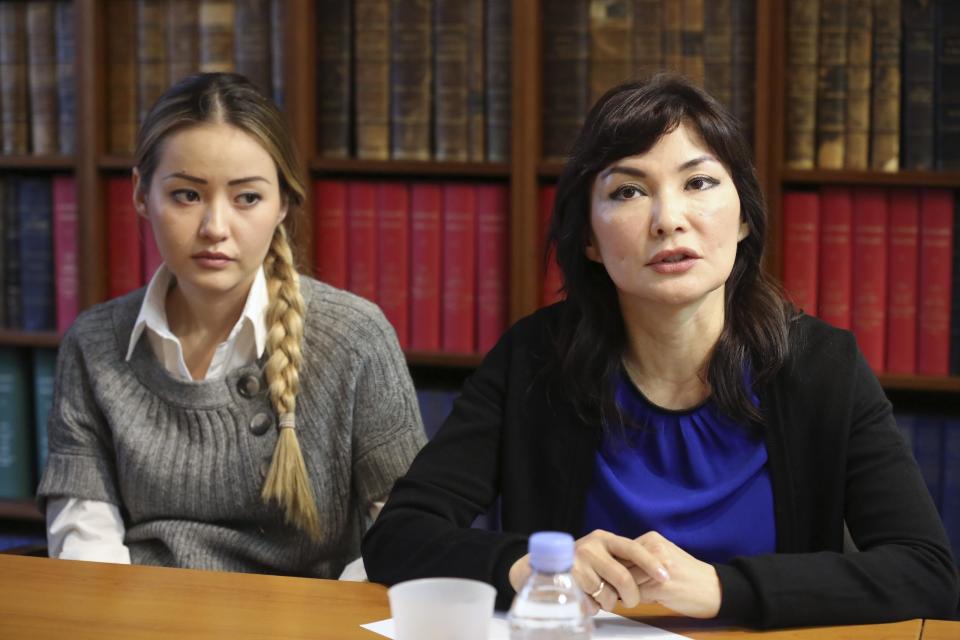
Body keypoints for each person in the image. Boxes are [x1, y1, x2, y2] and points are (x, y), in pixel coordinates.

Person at [362, 75, 959, 627]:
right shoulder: (536, 356)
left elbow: (926, 571)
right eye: (627, 191)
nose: (668, 220)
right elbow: (399, 536)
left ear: (745, 217)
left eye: (699, 182)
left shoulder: (822, 367)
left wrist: (724, 588)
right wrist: (533, 567)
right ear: (590, 240)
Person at [38, 73, 425, 579]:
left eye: (247, 199)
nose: (215, 228)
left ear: (283, 203)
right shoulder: (93, 344)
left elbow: (406, 534)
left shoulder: (354, 338)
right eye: (186, 195)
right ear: (140, 194)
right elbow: (84, 544)